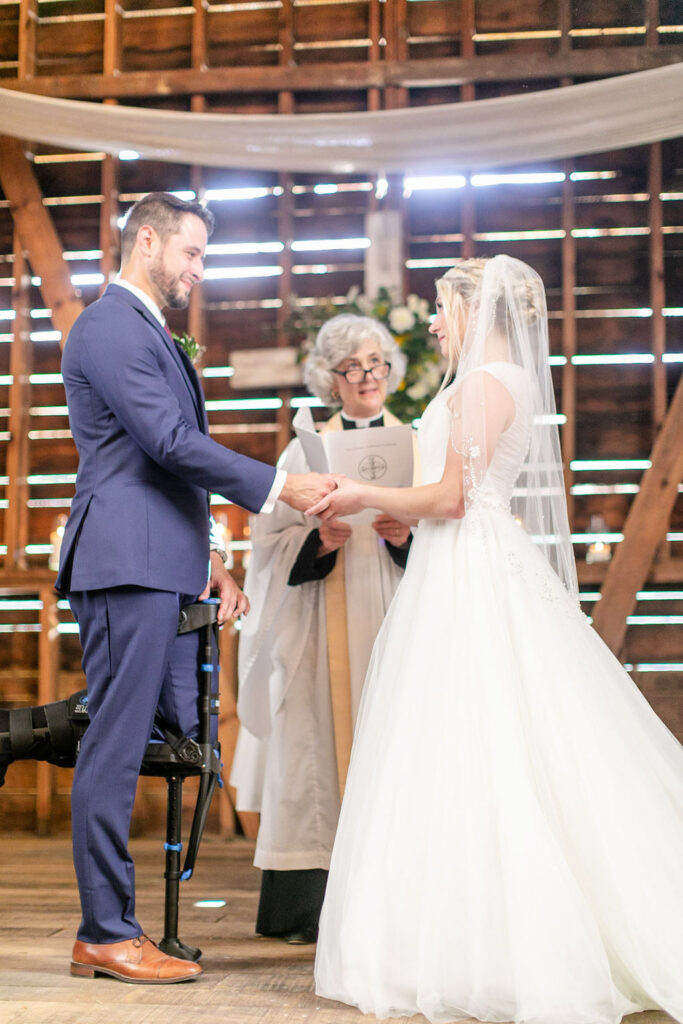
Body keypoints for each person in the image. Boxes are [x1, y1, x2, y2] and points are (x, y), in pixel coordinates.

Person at [310, 256, 683, 1024]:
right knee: (474, 739)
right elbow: (455, 494)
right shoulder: (498, 380)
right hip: (466, 560)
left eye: (443, 309)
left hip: (468, 574)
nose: (437, 323)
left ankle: (497, 945)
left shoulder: (484, 383)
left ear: (474, 311)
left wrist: (363, 493)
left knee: (478, 739)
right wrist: (403, 513)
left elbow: (452, 495)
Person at [56, 191, 335, 985]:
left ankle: (136, 926)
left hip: (159, 559)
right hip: (124, 561)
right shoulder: (110, 324)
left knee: (175, 740)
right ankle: (104, 932)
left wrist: (208, 560)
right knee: (111, 747)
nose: (199, 271)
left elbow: (158, 462)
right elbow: (169, 442)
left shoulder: (144, 329)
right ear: (148, 241)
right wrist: (281, 486)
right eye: (193, 254)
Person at [233, 314, 415, 944]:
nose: (367, 378)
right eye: (353, 368)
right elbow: (267, 541)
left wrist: (407, 535)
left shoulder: (417, 443)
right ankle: (308, 908)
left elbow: (454, 532)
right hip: (320, 615)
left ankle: (395, 907)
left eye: (377, 364)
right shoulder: (302, 450)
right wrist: (319, 537)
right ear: (330, 380)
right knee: (315, 744)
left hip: (396, 611)